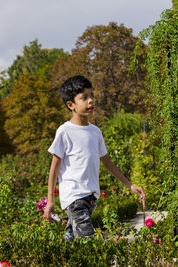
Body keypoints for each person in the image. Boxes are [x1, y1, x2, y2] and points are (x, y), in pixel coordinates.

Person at [43, 75, 145, 241]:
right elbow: (54, 169)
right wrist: (50, 201)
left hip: (90, 197)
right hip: (75, 196)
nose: (90, 101)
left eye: (91, 96)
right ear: (71, 105)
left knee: (71, 239)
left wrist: (130, 185)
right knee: (90, 242)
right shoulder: (65, 131)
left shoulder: (95, 132)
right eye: (84, 98)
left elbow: (108, 162)